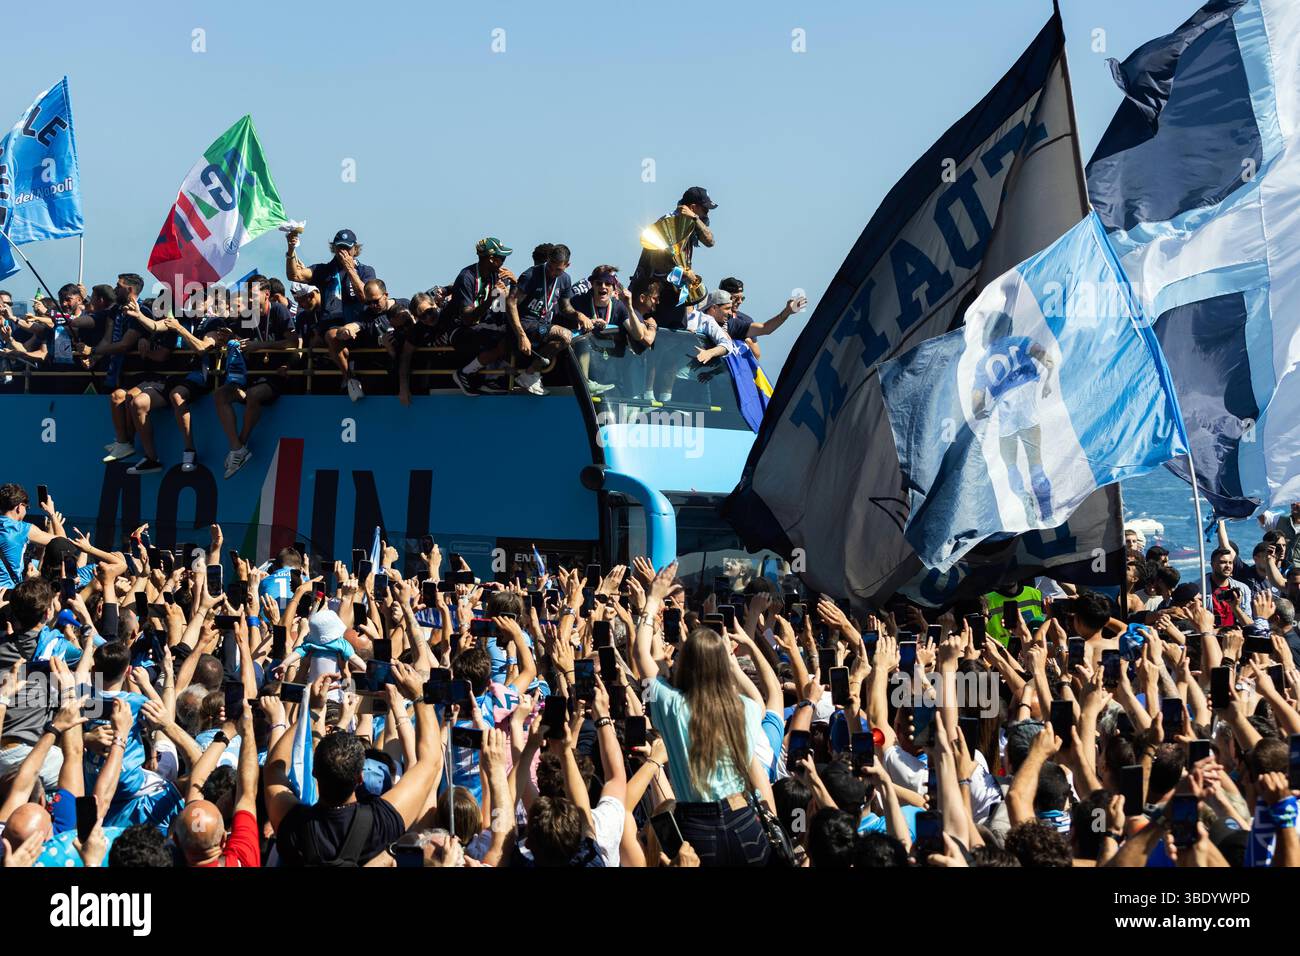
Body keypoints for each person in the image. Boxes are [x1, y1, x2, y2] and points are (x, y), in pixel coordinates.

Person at [631, 560, 774, 866]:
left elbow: (640, 653)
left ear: (685, 664)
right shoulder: (748, 709)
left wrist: (653, 599)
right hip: (745, 820)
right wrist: (731, 662)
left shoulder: (671, 705)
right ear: (724, 665)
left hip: (697, 827)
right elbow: (759, 700)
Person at [212, 276, 300, 479]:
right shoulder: (246, 316)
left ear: (266, 294)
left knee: (252, 395)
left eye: (251, 295)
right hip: (253, 374)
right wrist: (230, 339)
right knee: (220, 395)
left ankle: (240, 446)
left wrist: (260, 346)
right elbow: (243, 342)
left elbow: (293, 342)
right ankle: (237, 448)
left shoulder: (278, 310)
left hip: (276, 374)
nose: (247, 299)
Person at [285, 228, 375, 400]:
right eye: (339, 247)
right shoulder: (324, 270)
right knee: (331, 336)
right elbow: (294, 274)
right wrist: (291, 249)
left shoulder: (366, 271)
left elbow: (365, 297)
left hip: (359, 323)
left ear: (355, 249)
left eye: (347, 248)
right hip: (332, 324)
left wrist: (351, 270)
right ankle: (350, 379)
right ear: (333, 248)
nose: (343, 252)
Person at [631, 186, 717, 331]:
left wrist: (695, 219)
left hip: (676, 291)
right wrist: (683, 273)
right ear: (693, 207)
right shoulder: (669, 223)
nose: (707, 214)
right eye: (705, 210)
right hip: (657, 292)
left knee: (677, 330)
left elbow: (710, 241)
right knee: (662, 333)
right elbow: (656, 261)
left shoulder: (692, 222)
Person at [505, 244, 584, 397]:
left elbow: (565, 307)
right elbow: (510, 302)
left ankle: (530, 375)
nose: (553, 272)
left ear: (567, 265)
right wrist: (521, 335)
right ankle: (530, 375)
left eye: (558, 270)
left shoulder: (565, 279)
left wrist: (580, 315)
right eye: (550, 267)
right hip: (525, 324)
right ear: (548, 260)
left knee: (565, 340)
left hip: (542, 326)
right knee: (564, 334)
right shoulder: (531, 275)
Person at [716, 277, 807, 359]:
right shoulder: (706, 313)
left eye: (742, 299)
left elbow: (764, 330)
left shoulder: (740, 321)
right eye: (735, 298)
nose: (740, 302)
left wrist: (787, 312)